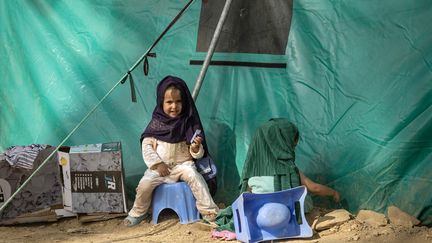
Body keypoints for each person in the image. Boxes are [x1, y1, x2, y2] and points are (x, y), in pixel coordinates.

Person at [124, 76, 219, 227]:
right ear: (161, 102)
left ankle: (209, 212)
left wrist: (195, 149)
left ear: (185, 101)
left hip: (183, 166)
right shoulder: (156, 123)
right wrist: (157, 164)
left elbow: (198, 154)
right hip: (160, 168)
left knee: (195, 178)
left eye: (178, 101)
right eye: (169, 102)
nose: (174, 106)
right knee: (145, 184)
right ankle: (138, 212)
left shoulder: (189, 122)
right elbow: (147, 146)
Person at [240, 118, 340, 203]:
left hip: (258, 216)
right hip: (286, 215)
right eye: (292, 145)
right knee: (305, 196)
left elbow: (246, 196)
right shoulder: (289, 169)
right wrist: (333, 192)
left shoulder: (252, 171)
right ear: (284, 145)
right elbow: (314, 188)